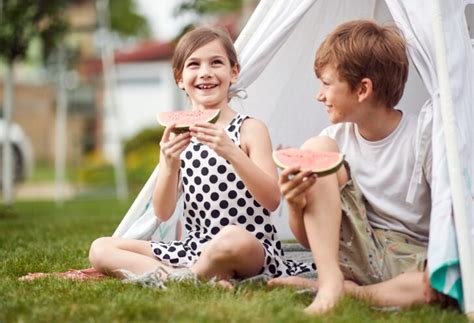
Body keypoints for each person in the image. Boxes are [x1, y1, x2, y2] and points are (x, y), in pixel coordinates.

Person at [89, 26, 313, 287]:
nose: (205, 72)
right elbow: (163, 212)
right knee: (100, 248)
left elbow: (273, 200)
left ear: (234, 72)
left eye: (216, 63)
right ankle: (188, 277)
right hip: (195, 248)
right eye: (193, 65)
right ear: (180, 78)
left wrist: (231, 151)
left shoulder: (250, 129)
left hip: (250, 246)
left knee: (231, 238)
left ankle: (188, 277)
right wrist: (169, 164)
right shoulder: (179, 133)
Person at [268, 20, 434, 314]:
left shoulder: (424, 137)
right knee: (317, 150)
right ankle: (331, 282)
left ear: (362, 90)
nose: (319, 95)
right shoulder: (332, 140)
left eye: (327, 84)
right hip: (349, 253)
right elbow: (308, 240)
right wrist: (295, 204)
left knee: (444, 281)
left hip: (410, 262)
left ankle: (350, 292)